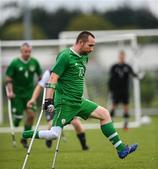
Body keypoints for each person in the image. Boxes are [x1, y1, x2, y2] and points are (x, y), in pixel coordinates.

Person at [23, 31, 138, 159]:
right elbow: (53, 78)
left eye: (93, 46)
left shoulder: (84, 57)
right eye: (90, 45)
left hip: (79, 101)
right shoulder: (65, 56)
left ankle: (121, 149)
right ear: (80, 42)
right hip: (65, 103)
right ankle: (27, 134)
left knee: (105, 114)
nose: (92, 49)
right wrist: (49, 100)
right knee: (54, 135)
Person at [27, 69, 89, 150]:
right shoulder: (49, 73)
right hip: (52, 104)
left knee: (76, 123)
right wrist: (33, 99)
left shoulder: (68, 71)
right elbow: (39, 86)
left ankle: (84, 146)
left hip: (66, 103)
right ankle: (48, 139)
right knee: (51, 124)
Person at [5, 42, 42, 148]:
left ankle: (24, 139)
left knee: (31, 115)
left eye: (29, 51)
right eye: (25, 51)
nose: (28, 53)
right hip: (17, 95)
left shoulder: (34, 62)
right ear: (21, 52)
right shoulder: (15, 63)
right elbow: (8, 79)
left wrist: (43, 82)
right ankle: (16, 121)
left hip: (30, 94)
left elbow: (40, 76)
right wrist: (10, 92)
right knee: (18, 118)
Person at [108, 50, 138, 130]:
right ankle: (110, 122)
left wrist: (138, 75)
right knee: (114, 106)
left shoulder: (127, 66)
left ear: (125, 56)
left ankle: (126, 123)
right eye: (121, 55)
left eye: (123, 55)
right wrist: (110, 89)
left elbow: (134, 74)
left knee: (126, 107)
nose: (122, 57)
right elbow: (111, 79)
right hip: (116, 91)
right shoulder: (114, 67)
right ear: (119, 56)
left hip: (125, 91)